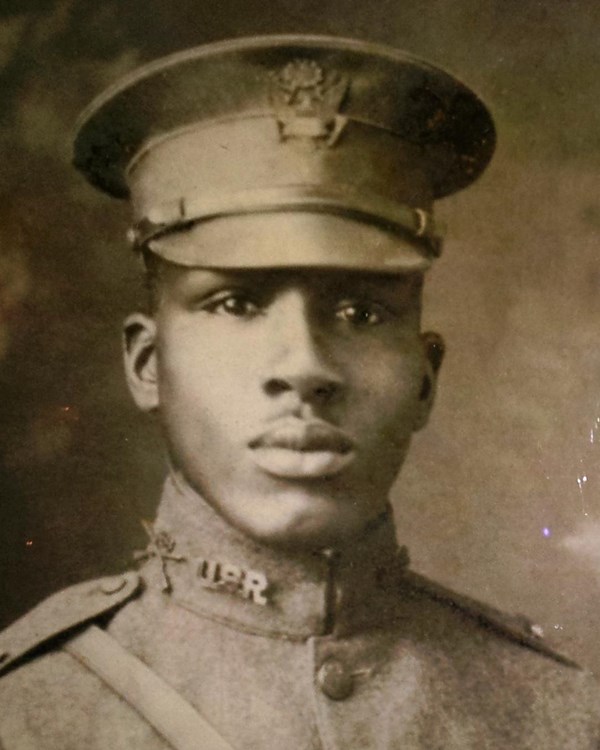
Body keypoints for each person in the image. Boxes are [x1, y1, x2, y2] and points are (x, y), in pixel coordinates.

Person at [0, 34, 598, 750]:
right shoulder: (29, 711)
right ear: (148, 363)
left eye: (362, 313)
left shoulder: (560, 717)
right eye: (237, 303)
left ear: (424, 379)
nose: (306, 365)